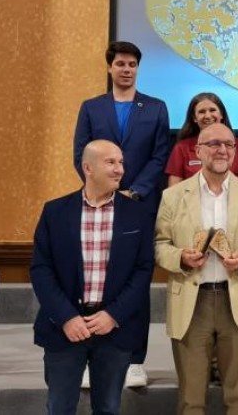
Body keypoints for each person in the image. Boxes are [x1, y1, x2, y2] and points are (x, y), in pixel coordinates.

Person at [30, 140, 154, 415]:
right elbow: (41, 269)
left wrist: (113, 315)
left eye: (121, 162)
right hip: (64, 330)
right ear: (88, 167)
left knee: (108, 409)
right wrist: (66, 317)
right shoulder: (55, 212)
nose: (119, 169)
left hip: (114, 330)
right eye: (111, 162)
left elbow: (144, 270)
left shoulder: (138, 214)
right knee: (59, 408)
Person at [154, 123, 238, 415]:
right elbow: (160, 245)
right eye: (214, 143)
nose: (222, 150)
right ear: (197, 151)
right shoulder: (173, 196)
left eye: (228, 144)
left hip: (237, 300)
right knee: (191, 400)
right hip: (193, 303)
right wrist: (181, 257)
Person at [73, 40, 170, 388]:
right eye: (121, 64)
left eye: (132, 64)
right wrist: (106, 190)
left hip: (138, 206)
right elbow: (81, 157)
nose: (126, 69)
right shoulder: (91, 108)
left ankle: (134, 361)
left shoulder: (156, 108)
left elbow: (160, 157)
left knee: (135, 281)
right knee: (94, 279)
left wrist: (135, 191)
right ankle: (91, 356)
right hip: (97, 206)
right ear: (110, 68)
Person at [166, 92, 238, 187]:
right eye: (202, 112)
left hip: (232, 201)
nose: (207, 116)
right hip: (192, 201)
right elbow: (174, 189)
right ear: (194, 118)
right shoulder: (182, 147)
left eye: (212, 110)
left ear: (221, 115)